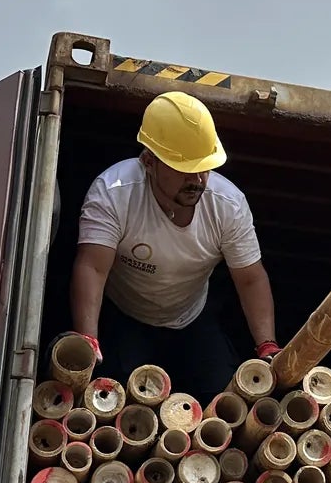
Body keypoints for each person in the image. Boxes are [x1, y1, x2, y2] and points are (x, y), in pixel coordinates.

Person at [68, 90, 280, 397]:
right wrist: (87, 339)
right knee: (108, 394)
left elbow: (250, 279)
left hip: (192, 317)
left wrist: (267, 345)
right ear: (148, 161)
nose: (196, 179)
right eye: (183, 168)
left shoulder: (228, 205)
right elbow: (92, 267)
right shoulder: (113, 192)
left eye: (203, 166)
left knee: (223, 397)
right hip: (125, 315)